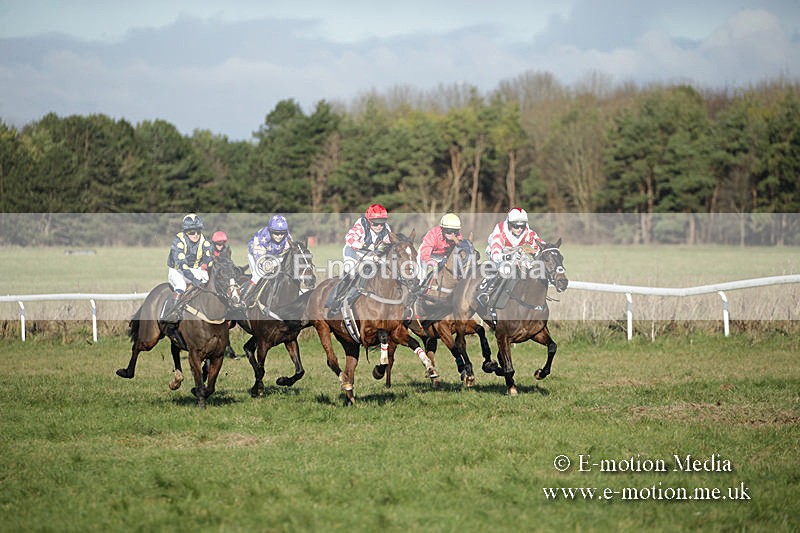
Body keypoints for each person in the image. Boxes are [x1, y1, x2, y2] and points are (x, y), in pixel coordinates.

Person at [326, 204, 392, 311]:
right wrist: (361, 245)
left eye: (382, 222)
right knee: (350, 271)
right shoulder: (361, 225)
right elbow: (349, 238)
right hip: (353, 251)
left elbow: (387, 244)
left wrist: (378, 255)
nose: (379, 226)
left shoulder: (386, 229)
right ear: (369, 221)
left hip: (371, 253)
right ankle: (335, 298)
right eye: (376, 223)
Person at [477, 207, 545, 305]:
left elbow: (541, 244)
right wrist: (506, 257)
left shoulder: (527, 232)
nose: (519, 229)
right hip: (498, 253)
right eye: (516, 226)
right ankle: (487, 293)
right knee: (506, 269)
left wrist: (546, 251)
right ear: (509, 223)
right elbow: (495, 253)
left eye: (522, 226)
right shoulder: (500, 231)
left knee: (530, 266)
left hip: (516, 253)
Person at [161, 213, 213, 321]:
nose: (196, 235)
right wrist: (193, 279)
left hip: (195, 270)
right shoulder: (178, 242)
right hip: (178, 271)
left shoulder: (204, 242)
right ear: (186, 232)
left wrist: (209, 266)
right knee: (181, 286)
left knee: (208, 282)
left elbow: (209, 260)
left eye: (198, 231)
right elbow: (183, 266)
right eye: (192, 232)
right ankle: (169, 313)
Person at [241, 214, 292, 305]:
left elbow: (290, 251)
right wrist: (266, 265)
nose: (280, 236)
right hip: (256, 256)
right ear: (270, 230)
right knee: (258, 276)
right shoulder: (262, 237)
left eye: (282, 233)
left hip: (274, 256)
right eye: (276, 233)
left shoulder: (287, 237)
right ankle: (243, 300)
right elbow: (259, 257)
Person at [418, 212, 463, 279]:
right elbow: (424, 256)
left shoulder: (458, 237)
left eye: (455, 231)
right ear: (442, 229)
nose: (452, 234)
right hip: (427, 254)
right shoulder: (433, 234)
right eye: (449, 230)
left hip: (442, 256)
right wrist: (436, 264)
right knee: (421, 277)